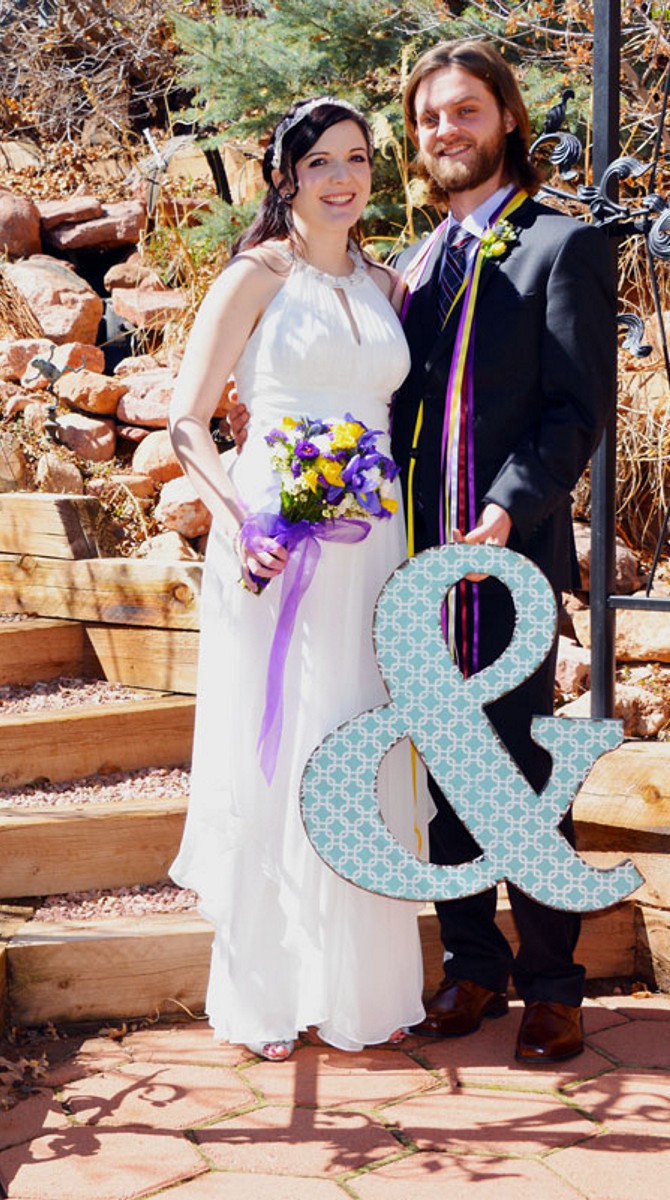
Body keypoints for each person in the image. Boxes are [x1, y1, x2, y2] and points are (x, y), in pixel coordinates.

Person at [168, 96, 429, 1062]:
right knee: (283, 745)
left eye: (356, 158)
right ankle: (267, 992)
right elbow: (187, 421)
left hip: (374, 537)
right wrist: (242, 528)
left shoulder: (387, 283)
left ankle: (361, 988)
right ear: (287, 174)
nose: (341, 177)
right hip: (274, 535)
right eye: (318, 160)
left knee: (358, 732)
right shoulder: (257, 275)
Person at [390, 39, 617, 1064]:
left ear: (506, 119)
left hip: (504, 561)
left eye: (464, 111)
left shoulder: (556, 245)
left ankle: (552, 985)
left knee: (518, 770)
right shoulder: (413, 263)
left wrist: (503, 509)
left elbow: (574, 413)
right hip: (412, 568)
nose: (446, 130)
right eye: (430, 116)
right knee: (443, 770)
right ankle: (470, 966)